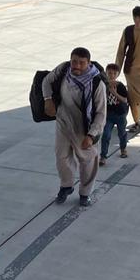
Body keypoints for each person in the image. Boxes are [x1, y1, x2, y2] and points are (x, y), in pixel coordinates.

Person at [42, 48, 106, 207]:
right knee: (61, 156)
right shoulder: (63, 70)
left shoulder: (97, 83)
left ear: (88, 63)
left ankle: (85, 193)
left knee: (88, 161)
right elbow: (46, 81)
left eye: (81, 63)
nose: (76, 65)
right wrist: (48, 99)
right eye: (74, 61)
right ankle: (66, 185)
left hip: (84, 128)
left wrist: (91, 136)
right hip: (63, 122)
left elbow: (101, 114)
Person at [99, 63, 129, 167]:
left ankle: (123, 148)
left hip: (120, 114)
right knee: (106, 135)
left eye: (114, 73)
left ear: (117, 74)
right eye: (109, 73)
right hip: (108, 115)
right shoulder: (103, 85)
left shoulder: (120, 86)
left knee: (122, 133)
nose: (111, 75)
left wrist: (114, 92)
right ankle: (103, 156)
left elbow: (125, 100)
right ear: (106, 73)